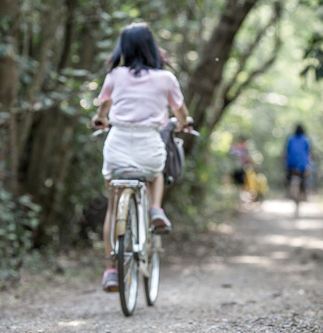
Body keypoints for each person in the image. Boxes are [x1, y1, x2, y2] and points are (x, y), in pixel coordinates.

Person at [91, 23, 193, 292]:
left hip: (118, 146)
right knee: (156, 172)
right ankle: (155, 208)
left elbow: (103, 109)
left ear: (123, 48)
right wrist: (185, 123)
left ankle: (111, 270)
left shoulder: (116, 76)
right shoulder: (165, 79)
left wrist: (100, 119)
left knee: (113, 210)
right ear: (151, 47)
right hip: (149, 144)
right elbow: (181, 113)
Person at [285, 124, 311, 198]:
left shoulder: (291, 139)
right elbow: (308, 152)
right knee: (305, 177)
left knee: (287, 176)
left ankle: (287, 190)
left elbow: (287, 151)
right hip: (302, 164)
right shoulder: (305, 139)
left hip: (291, 163)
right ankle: (305, 192)